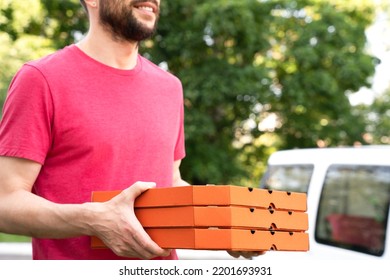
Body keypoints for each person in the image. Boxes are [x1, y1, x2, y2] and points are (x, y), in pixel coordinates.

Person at [0, 0, 261, 260]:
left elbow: (169, 182)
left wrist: (221, 222)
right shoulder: (40, 79)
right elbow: (5, 203)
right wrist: (92, 220)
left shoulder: (169, 88)